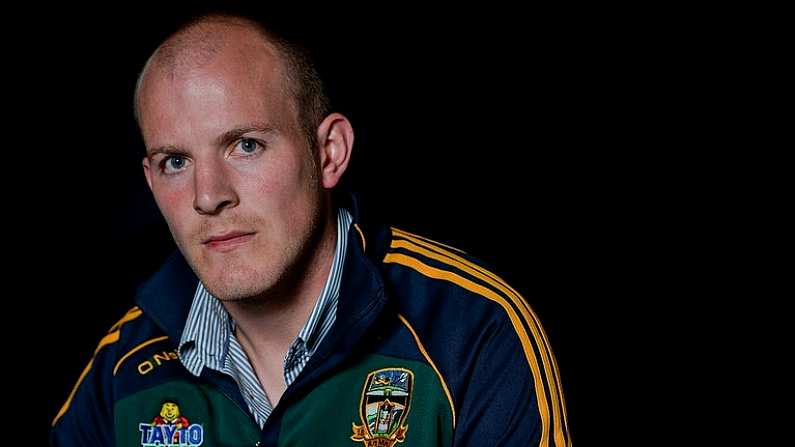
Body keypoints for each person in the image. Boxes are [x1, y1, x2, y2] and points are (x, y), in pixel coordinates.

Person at [51, 12, 571, 447]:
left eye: (246, 145)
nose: (208, 196)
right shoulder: (122, 366)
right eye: (175, 162)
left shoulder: (472, 332)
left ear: (329, 152)